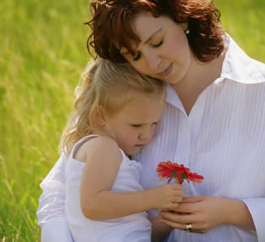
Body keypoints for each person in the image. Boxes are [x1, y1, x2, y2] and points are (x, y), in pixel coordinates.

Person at [37, 0, 265, 241]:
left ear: (181, 16)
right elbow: (58, 193)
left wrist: (231, 212)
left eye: (157, 42)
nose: (152, 63)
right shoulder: (126, 90)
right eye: (134, 54)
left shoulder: (264, 89)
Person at [45, 58, 185, 242]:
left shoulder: (108, 152)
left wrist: (166, 221)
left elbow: (129, 231)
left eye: (154, 123)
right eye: (136, 125)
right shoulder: (104, 147)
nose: (147, 135)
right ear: (100, 116)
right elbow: (92, 205)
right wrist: (152, 198)